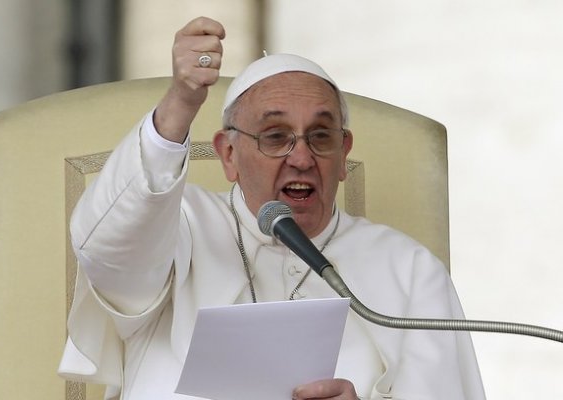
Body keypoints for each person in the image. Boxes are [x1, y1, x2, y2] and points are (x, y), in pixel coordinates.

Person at [58, 16, 486, 400]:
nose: (301, 158)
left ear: (343, 155)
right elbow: (107, 250)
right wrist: (181, 103)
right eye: (275, 136)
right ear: (228, 154)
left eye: (320, 136)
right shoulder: (179, 228)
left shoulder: (408, 270)